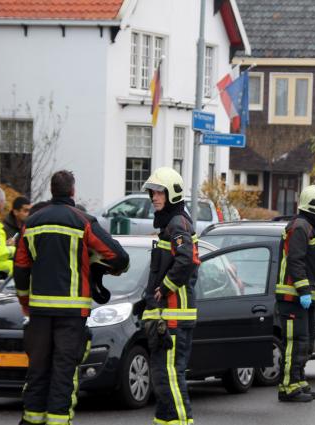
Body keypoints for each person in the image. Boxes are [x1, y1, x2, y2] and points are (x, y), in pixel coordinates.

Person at [14, 170, 129, 425]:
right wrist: (96, 264)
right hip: (71, 315)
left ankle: (32, 420)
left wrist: (25, 303)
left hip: (40, 314)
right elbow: (119, 257)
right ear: (73, 192)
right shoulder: (83, 221)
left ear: (52, 191)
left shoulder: (31, 223)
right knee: (63, 373)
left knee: (37, 372)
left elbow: (20, 268)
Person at [140, 167, 200, 425]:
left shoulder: (177, 223)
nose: (154, 197)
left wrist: (164, 287)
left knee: (170, 376)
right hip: (167, 315)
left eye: (159, 192)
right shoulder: (172, 223)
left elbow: (186, 260)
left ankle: (181, 421)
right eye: (152, 192)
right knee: (162, 377)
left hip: (174, 316)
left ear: (172, 194)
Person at [276, 185, 315, 402]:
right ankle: (288, 387)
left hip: (303, 297)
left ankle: (299, 381)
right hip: (293, 297)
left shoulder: (308, 227)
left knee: (306, 341)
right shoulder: (300, 227)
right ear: (314, 205)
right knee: (295, 341)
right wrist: (303, 290)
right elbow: (296, 261)